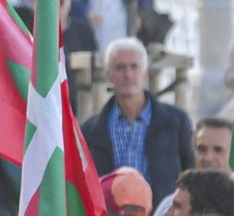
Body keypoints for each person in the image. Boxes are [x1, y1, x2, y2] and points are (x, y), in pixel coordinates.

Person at [79, 38, 193, 194]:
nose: (128, 74)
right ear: (108, 75)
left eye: (134, 67)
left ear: (145, 73)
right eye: (120, 68)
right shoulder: (92, 129)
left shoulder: (175, 121)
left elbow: (190, 174)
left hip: (163, 215)